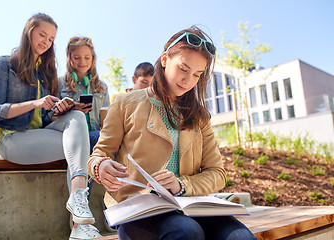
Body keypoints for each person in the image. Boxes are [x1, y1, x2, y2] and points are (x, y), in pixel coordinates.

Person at [88, 25, 257, 240]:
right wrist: (100, 166)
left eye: (197, 74)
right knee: (186, 232)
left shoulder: (200, 116)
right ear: (165, 59)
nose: (189, 81)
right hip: (140, 208)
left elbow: (217, 173)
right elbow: (99, 154)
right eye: (183, 69)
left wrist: (181, 185)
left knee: (242, 238)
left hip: (190, 204)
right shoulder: (125, 103)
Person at [0, 13, 102, 239]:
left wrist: (61, 109)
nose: (46, 42)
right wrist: (34, 103)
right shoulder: (5, 64)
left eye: (51, 39)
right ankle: (80, 225)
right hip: (12, 138)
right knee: (79, 145)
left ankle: (79, 210)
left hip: (41, 135)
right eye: (42, 35)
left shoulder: (46, 71)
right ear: (29, 31)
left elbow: (48, 118)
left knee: (77, 119)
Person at [59, 36, 110, 153]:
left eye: (87, 57)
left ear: (93, 59)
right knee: (98, 139)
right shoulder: (60, 83)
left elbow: (107, 113)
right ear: (69, 58)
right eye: (76, 58)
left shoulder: (102, 86)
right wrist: (71, 109)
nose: (82, 62)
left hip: (95, 132)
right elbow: (50, 116)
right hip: (72, 135)